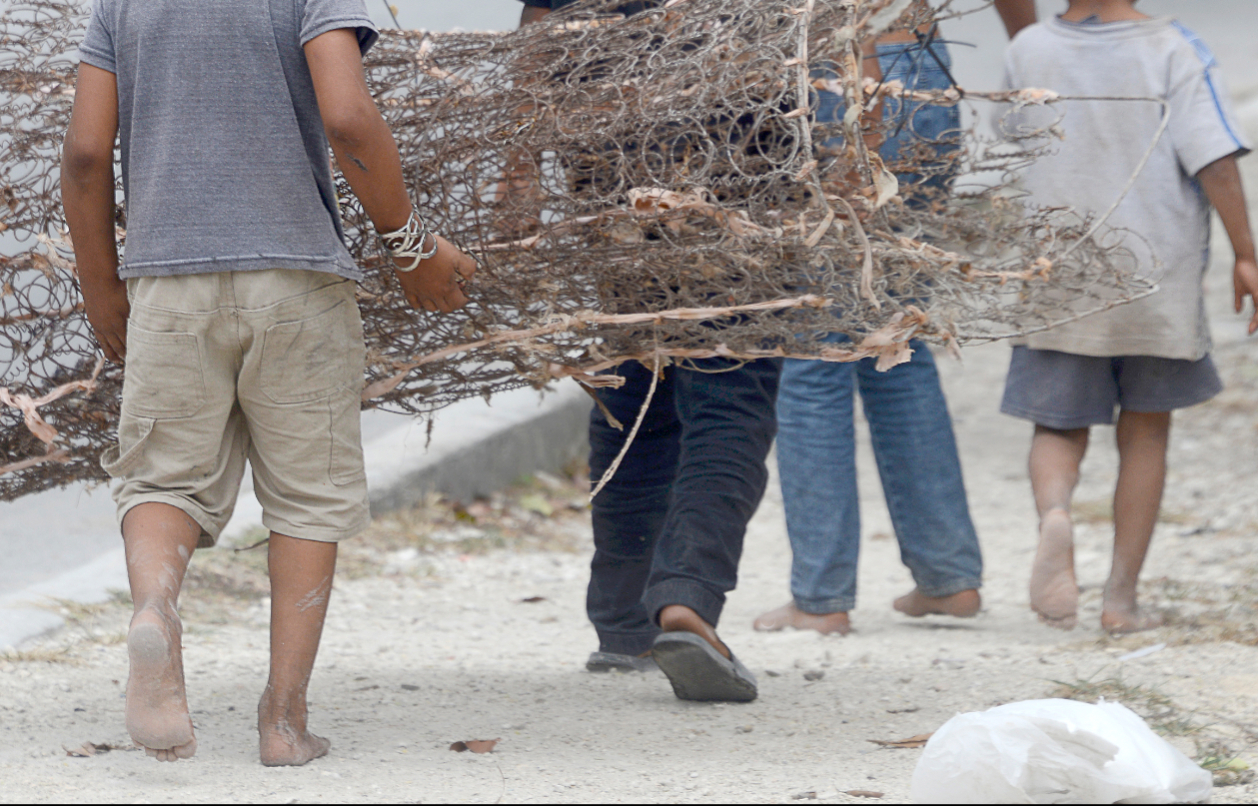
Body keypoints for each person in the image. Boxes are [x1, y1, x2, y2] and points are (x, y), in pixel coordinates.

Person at [61, 0, 476, 764]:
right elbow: (347, 116)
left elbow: (87, 151)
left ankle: (156, 608)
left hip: (167, 283)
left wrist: (100, 288)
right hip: (296, 280)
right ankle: (283, 722)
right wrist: (411, 245)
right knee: (307, 497)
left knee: (161, 480)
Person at [512, 0, 780, 702]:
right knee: (729, 386)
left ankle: (624, 622)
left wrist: (518, 166)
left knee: (633, 373)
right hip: (739, 143)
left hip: (609, 140)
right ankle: (685, 599)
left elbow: (543, 20)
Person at [755, 0, 1038, 636]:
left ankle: (820, 597)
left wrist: (863, 107)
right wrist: (1030, 45)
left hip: (842, 75)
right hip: (924, 71)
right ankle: (948, 576)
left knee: (818, 351)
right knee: (897, 337)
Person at [999, 0, 1258, 633]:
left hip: (1056, 270)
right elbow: (1215, 161)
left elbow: (1011, 149)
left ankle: (1056, 516)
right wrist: (1247, 254)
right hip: (1155, 274)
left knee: (1056, 425)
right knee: (1146, 432)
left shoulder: (1028, 49)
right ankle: (1121, 601)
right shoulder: (1174, 50)